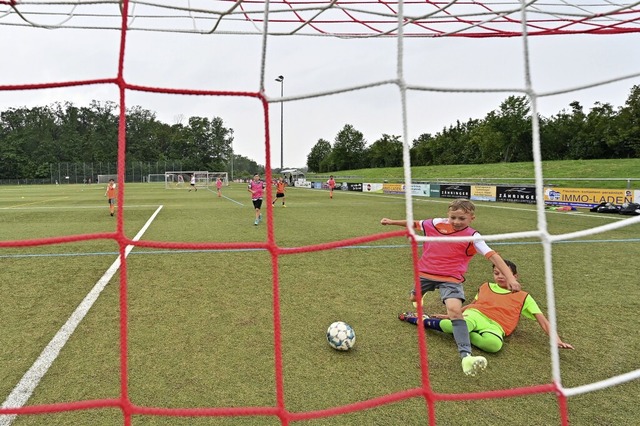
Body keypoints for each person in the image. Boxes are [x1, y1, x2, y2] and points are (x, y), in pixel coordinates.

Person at [380, 198, 521, 377]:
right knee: (413, 298)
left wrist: (510, 278)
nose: (456, 222)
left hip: (451, 279)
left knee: (455, 311)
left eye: (462, 219)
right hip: (425, 274)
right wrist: (392, 222)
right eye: (453, 217)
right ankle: (418, 298)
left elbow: (493, 256)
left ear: (472, 218)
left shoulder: (473, 237)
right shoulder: (436, 223)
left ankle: (466, 356)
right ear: (448, 215)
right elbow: (415, 224)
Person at [399, 260, 574, 353]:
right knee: (463, 324)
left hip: (497, 326)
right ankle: (422, 320)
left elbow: (543, 321)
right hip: (476, 315)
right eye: (496, 273)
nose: (500, 277)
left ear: (515, 276)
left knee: (493, 346)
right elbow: (474, 305)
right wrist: (450, 315)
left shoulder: (524, 297)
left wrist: (557, 340)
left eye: (505, 274)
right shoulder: (486, 286)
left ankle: (461, 331)